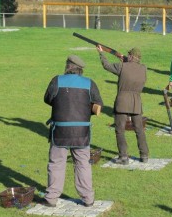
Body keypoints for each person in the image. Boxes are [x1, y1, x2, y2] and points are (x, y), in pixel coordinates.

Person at [41, 55, 103, 207]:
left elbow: (48, 99)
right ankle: (88, 198)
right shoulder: (90, 83)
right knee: (83, 164)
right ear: (80, 69)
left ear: (67, 66)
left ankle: (51, 198)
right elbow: (98, 107)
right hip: (81, 132)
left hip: (60, 131)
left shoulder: (57, 80)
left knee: (56, 163)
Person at [96, 45, 149, 165]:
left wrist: (101, 53)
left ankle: (123, 157)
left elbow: (107, 66)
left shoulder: (122, 66)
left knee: (120, 130)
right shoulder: (143, 68)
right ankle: (144, 155)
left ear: (130, 56)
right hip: (137, 102)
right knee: (139, 130)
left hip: (122, 101)